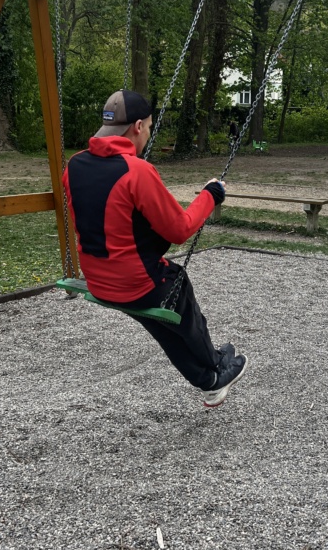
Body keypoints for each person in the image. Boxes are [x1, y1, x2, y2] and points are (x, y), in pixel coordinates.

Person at [62, 89, 248, 408]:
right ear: (137, 126)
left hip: (98, 280)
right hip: (134, 284)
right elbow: (180, 229)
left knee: (163, 323)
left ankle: (209, 375)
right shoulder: (136, 172)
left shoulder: (74, 165)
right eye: (148, 127)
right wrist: (211, 194)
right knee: (178, 294)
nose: (147, 133)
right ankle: (216, 366)